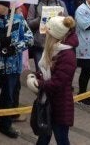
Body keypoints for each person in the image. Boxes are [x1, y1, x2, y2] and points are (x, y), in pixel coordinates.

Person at [0, 0, 34, 141]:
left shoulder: (18, 19)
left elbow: (29, 39)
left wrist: (14, 48)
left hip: (13, 68)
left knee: (9, 98)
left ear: (6, 6)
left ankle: (5, 125)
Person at [31, 16, 78, 145]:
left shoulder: (67, 54)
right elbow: (47, 70)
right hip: (48, 101)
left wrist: (39, 83)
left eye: (48, 33)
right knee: (43, 136)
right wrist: (37, 76)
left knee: (61, 138)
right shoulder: (55, 48)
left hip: (60, 104)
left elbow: (58, 82)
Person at [27, 0, 67, 72]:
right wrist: (40, 19)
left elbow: (67, 21)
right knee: (41, 71)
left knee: (54, 71)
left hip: (55, 43)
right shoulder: (35, 4)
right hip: (39, 43)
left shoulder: (60, 3)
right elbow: (29, 23)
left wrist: (62, 19)